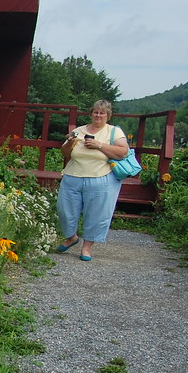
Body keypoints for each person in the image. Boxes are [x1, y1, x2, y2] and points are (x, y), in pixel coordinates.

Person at [55, 99, 129, 261]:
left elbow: (123, 152)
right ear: (91, 113)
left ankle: (86, 248)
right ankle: (71, 237)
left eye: (102, 113)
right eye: (95, 112)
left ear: (108, 115)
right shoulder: (79, 130)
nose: (98, 115)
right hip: (72, 177)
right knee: (64, 210)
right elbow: (65, 152)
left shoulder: (114, 132)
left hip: (101, 178)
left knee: (97, 214)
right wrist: (70, 142)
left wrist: (99, 145)